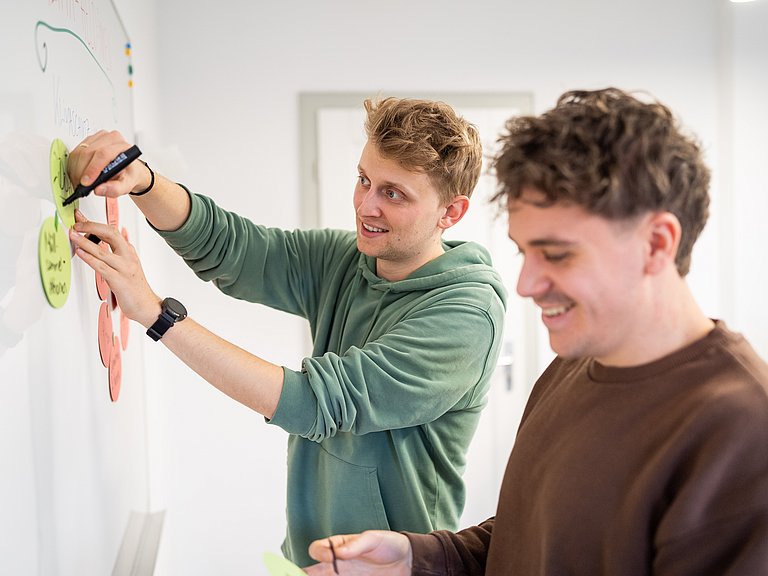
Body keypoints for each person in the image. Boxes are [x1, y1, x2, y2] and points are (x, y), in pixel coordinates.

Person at [304, 88, 768, 575]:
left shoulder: (741, 434)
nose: (526, 285)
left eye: (558, 254)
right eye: (525, 252)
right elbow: (532, 537)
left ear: (656, 244)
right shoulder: (572, 366)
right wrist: (421, 560)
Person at [66, 97, 507, 566]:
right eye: (363, 180)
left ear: (451, 212)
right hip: (307, 560)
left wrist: (157, 314)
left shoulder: (465, 314)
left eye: (393, 194)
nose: (366, 206)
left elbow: (316, 403)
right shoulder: (348, 261)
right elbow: (234, 249)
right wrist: (144, 181)